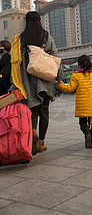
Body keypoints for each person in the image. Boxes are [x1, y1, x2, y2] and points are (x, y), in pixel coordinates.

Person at [11, 11, 63, 155]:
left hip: (28, 81)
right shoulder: (46, 37)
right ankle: (41, 142)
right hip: (45, 79)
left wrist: (14, 81)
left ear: (26, 22)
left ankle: (32, 132)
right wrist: (60, 78)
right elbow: (56, 58)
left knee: (32, 110)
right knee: (44, 111)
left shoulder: (20, 39)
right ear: (39, 21)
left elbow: (14, 62)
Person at [58, 54, 92, 148]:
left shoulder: (76, 76)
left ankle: (86, 133)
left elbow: (69, 88)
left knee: (82, 123)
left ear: (78, 65)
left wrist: (60, 84)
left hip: (82, 106)